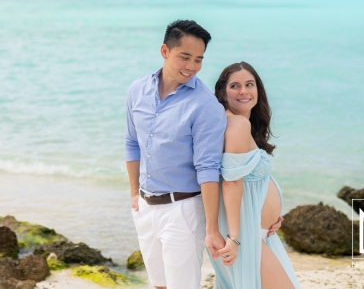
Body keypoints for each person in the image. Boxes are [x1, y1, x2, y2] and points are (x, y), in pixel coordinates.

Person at [125, 19, 227, 289]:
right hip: (145, 207)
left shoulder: (205, 106)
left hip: (183, 210)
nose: (192, 67)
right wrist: (134, 192)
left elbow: (208, 169)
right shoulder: (137, 90)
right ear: (165, 51)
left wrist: (212, 228)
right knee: (158, 284)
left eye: (199, 59)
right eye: (185, 57)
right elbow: (131, 142)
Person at [211, 62, 300, 289]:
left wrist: (269, 214)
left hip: (255, 231)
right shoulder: (237, 124)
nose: (244, 91)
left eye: (249, 84)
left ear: (258, 90)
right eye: (235, 86)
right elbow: (231, 182)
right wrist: (234, 237)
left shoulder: (235, 123)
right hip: (244, 234)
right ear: (222, 92)